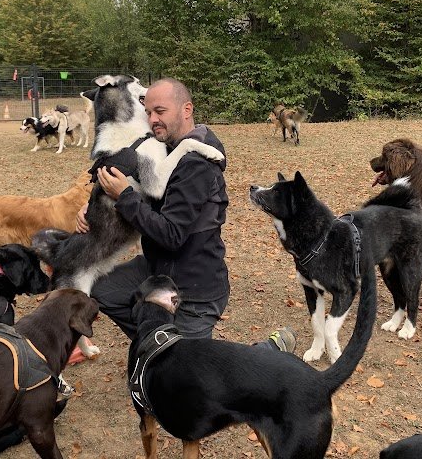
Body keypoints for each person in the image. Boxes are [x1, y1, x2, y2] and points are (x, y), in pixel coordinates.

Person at [81, 77, 296, 352]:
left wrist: (124, 197)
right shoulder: (162, 146)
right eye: (148, 111)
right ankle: (157, 342)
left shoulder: (196, 165)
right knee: (100, 288)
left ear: (186, 110)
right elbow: (135, 185)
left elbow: (171, 235)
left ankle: (266, 352)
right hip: (157, 269)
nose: (152, 119)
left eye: (160, 111)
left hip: (194, 290)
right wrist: (94, 208)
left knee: (189, 376)